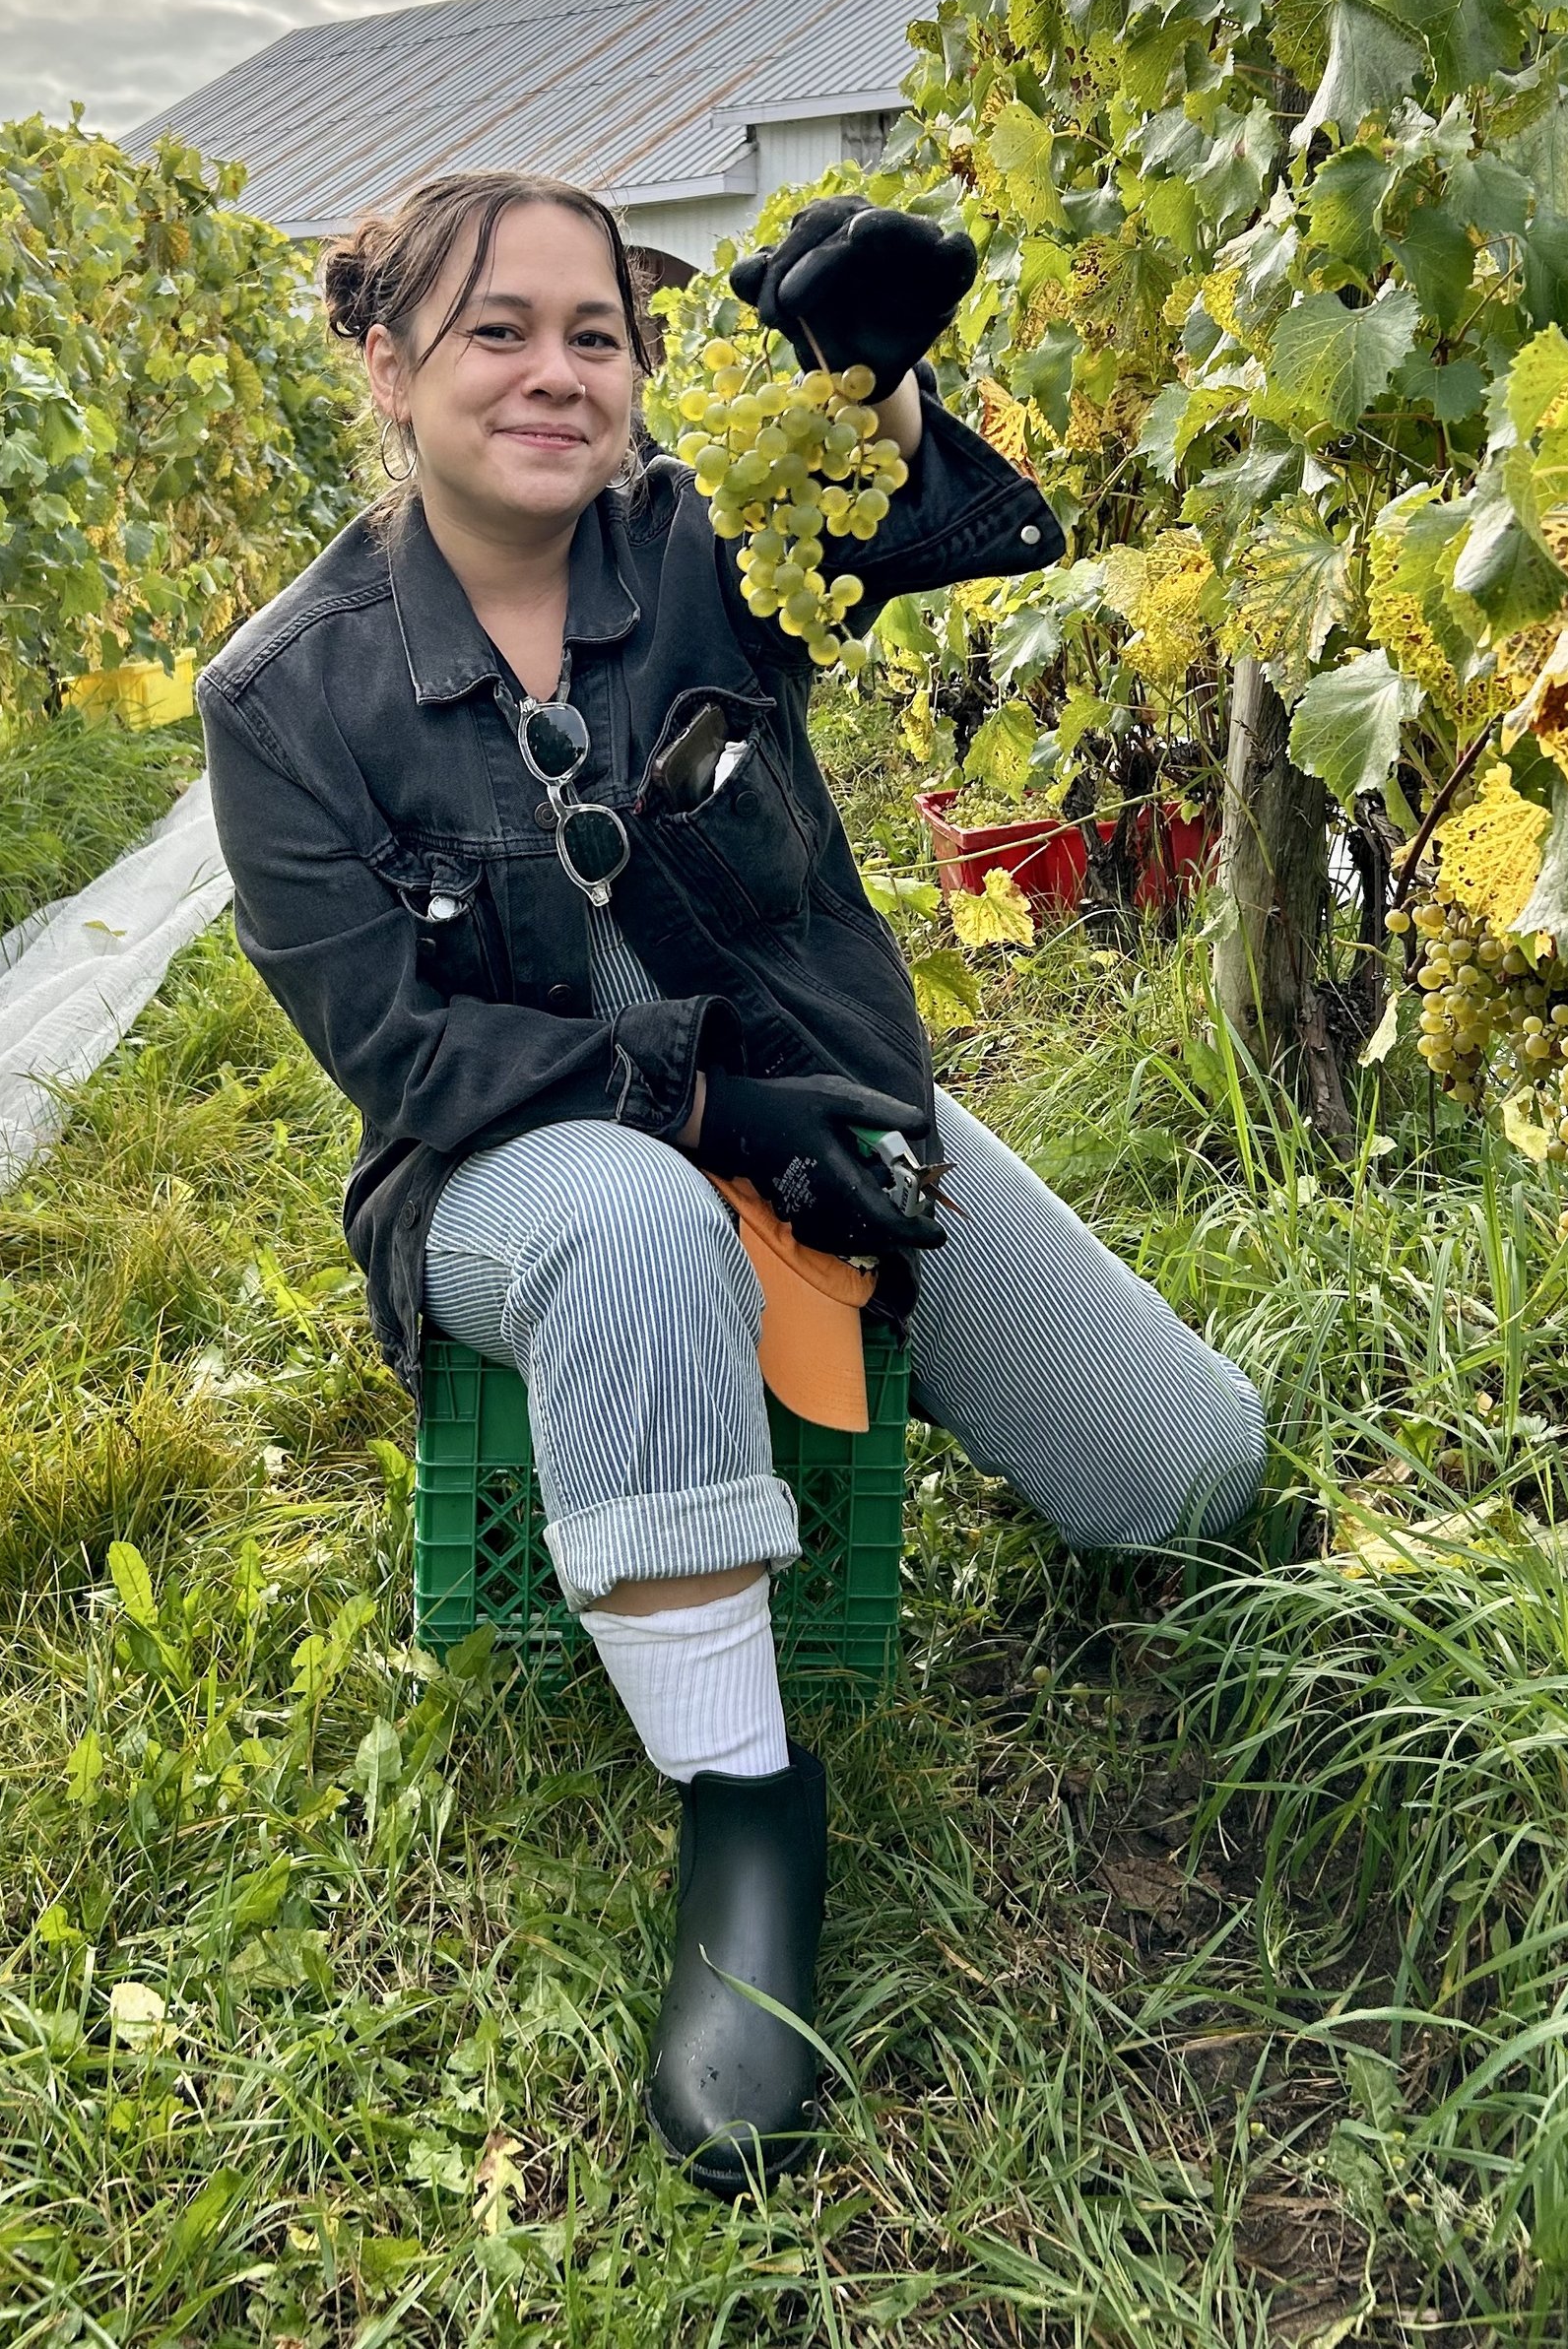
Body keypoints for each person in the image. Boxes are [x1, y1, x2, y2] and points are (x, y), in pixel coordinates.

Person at [197, 166, 1265, 2197]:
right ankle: (744, 1806)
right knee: (632, 1220)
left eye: (591, 330)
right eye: (494, 327)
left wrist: (869, 388)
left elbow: (967, 532)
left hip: (814, 1095)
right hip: (515, 1173)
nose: (550, 370)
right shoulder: (284, 693)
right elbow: (399, 1049)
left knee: (1185, 1470)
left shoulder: (700, 547)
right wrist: (711, 1117)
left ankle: (931, 1377)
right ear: (385, 359)